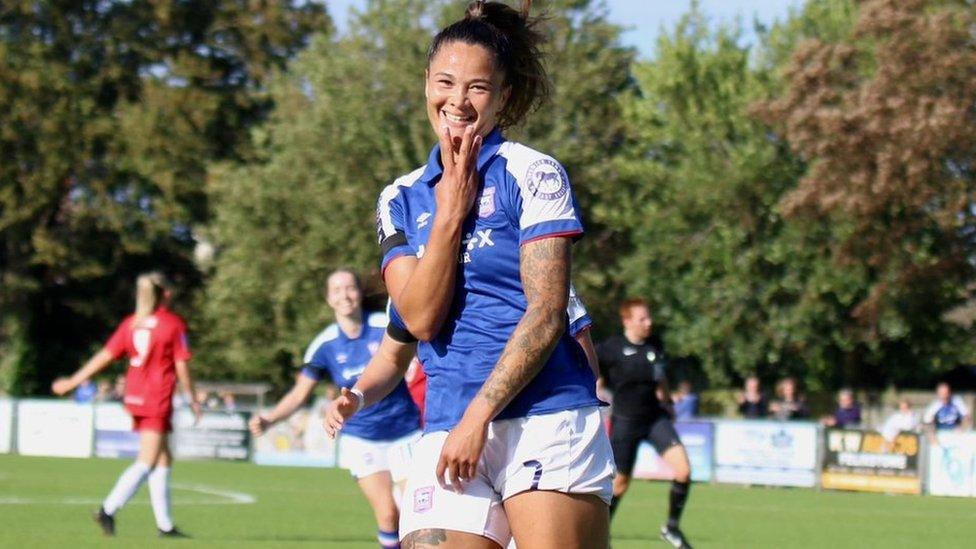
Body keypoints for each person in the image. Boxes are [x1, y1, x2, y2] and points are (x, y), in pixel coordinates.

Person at [327, 2, 615, 547]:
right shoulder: (400, 198)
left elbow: (549, 311)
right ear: (425, 86)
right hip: (446, 425)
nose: (457, 100)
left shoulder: (534, 173)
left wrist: (478, 415)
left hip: (545, 418)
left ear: (503, 97)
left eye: (478, 87)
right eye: (445, 82)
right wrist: (451, 211)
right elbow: (418, 319)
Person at [248, 269, 421, 549]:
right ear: (329, 299)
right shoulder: (324, 345)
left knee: (415, 515)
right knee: (388, 513)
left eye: (350, 288)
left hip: (406, 432)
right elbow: (299, 394)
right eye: (337, 290)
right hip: (361, 438)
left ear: (359, 293)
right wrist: (269, 419)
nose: (345, 295)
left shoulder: (385, 324)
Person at [51, 272, 201, 538]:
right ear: (165, 294)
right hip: (157, 397)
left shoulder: (132, 324)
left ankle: (165, 526)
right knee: (147, 460)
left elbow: (104, 357)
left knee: (163, 458)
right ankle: (108, 509)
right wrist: (192, 397)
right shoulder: (172, 324)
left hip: (135, 396)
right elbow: (182, 365)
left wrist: (74, 381)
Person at [596, 298, 693, 548]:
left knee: (683, 470)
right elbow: (593, 372)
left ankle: (671, 528)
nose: (649, 323)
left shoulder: (655, 345)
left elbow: (660, 379)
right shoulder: (611, 348)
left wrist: (668, 402)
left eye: (649, 317)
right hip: (626, 423)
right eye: (642, 319)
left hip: (654, 419)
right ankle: (600, 536)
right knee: (620, 485)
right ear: (627, 321)